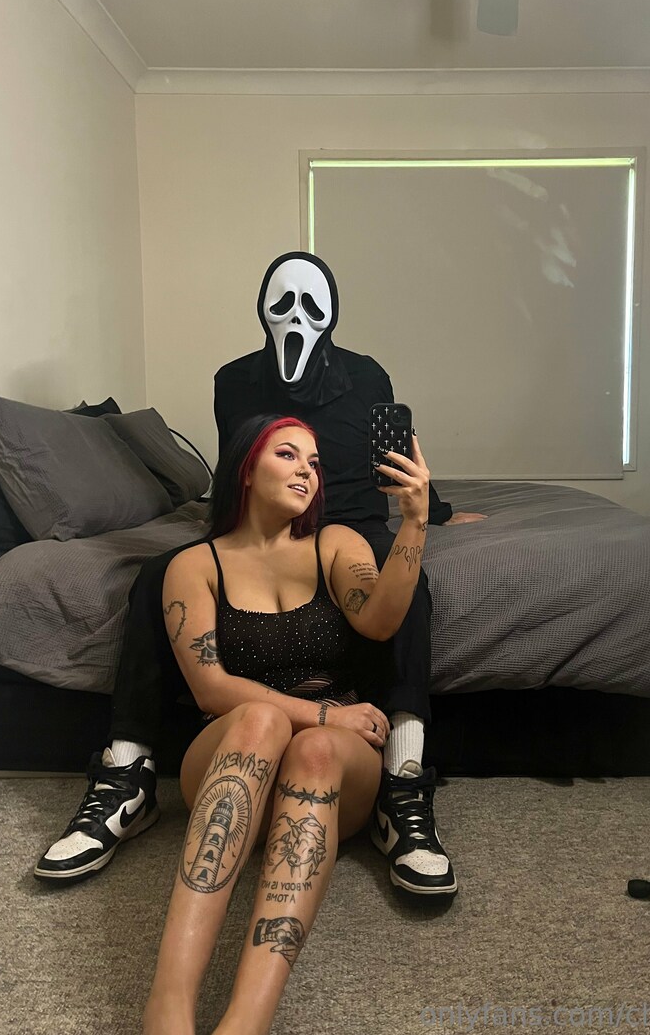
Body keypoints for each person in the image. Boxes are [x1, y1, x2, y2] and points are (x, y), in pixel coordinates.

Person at [35, 251, 484, 896]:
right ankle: (126, 773)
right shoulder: (235, 380)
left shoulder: (365, 374)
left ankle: (402, 779)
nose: (297, 317)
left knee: (410, 590)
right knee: (153, 575)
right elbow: (236, 465)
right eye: (283, 303)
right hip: (254, 521)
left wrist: (428, 512)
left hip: (353, 522)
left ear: (332, 314)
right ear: (262, 310)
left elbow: (390, 459)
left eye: (311, 305)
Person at [143, 412, 430, 1035]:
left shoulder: (335, 544)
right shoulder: (195, 564)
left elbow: (381, 620)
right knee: (259, 719)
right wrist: (327, 711)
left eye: (315, 462)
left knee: (317, 749)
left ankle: (246, 1021)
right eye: (289, 455)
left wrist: (413, 522)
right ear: (247, 469)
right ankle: (167, 1009)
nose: (307, 471)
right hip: (233, 755)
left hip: (333, 766)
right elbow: (211, 687)